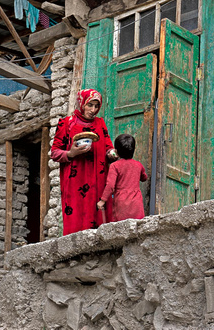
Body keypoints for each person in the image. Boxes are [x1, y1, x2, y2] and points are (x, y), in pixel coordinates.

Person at [51, 89, 117, 235]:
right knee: (77, 218)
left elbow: (108, 146)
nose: (93, 110)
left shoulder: (100, 123)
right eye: (90, 105)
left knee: (99, 218)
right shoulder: (67, 123)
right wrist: (70, 153)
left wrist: (112, 154)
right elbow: (54, 153)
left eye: (96, 106)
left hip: (98, 179)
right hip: (75, 180)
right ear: (82, 103)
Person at [97, 134, 147, 222]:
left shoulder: (115, 166)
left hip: (121, 203)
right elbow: (144, 178)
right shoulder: (138, 165)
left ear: (116, 151)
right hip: (136, 203)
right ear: (133, 150)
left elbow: (110, 185)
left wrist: (103, 200)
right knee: (137, 225)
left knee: (120, 227)